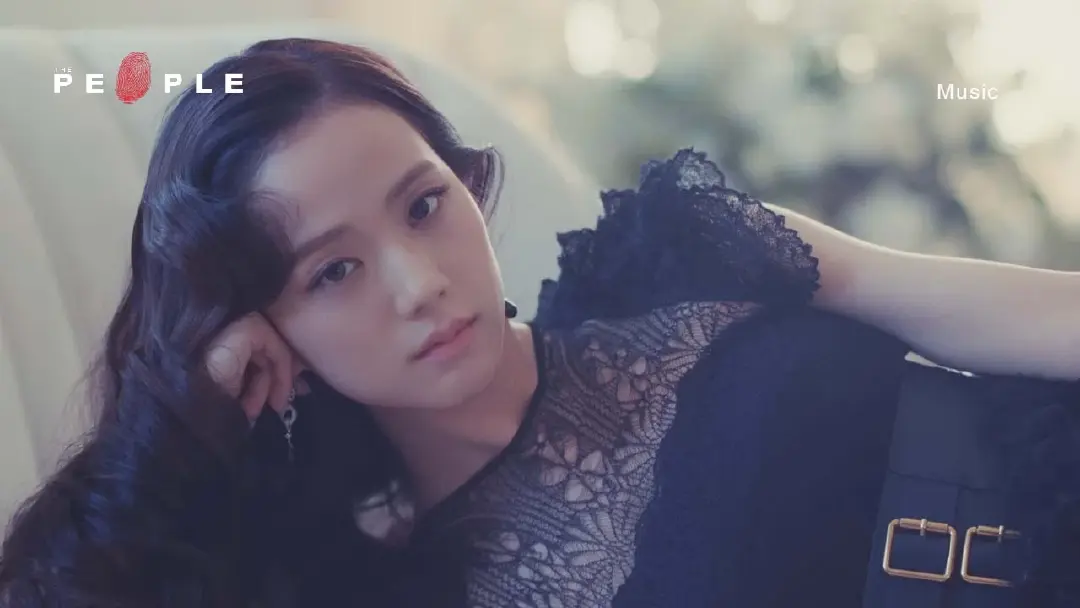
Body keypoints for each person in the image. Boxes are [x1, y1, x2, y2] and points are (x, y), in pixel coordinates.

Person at [0, 38, 1077, 607]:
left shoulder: (676, 259)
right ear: (272, 334)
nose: (419, 282)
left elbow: (1014, 314)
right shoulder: (397, 582)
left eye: (424, 205)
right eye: (334, 272)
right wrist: (175, 426)